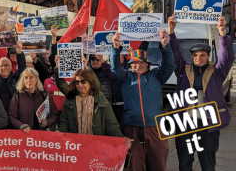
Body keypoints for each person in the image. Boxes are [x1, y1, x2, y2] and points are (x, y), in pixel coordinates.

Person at [167, 15, 233, 171]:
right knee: (185, 161)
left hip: (208, 124)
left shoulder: (217, 72)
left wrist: (222, 32)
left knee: (207, 162)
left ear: (208, 56)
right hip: (185, 124)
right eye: (195, 55)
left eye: (203, 55)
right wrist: (171, 31)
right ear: (191, 57)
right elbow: (174, 54)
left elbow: (227, 57)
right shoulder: (183, 70)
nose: (199, 58)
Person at [110, 30, 175, 171]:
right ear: (130, 64)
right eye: (134, 63)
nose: (137, 66)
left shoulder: (157, 76)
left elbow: (169, 66)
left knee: (158, 164)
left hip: (156, 128)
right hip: (132, 128)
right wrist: (115, 48)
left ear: (147, 63)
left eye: (140, 63)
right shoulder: (126, 77)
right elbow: (115, 69)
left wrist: (165, 47)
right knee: (135, 165)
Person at [57, 68, 132, 148]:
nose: (80, 85)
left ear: (90, 82)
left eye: (83, 81)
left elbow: (111, 124)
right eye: (77, 82)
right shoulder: (70, 99)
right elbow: (64, 121)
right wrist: (60, 133)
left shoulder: (101, 99)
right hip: (74, 146)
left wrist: (120, 138)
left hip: (95, 147)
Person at [8, 68, 59, 132]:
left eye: (31, 77)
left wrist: (47, 122)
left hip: (43, 137)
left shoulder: (45, 94)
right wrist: (21, 125)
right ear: (23, 80)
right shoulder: (17, 96)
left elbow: (54, 114)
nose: (28, 80)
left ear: (36, 80)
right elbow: (11, 117)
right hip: (25, 136)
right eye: (26, 78)